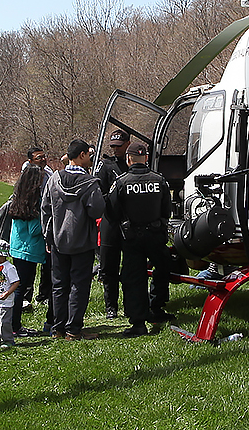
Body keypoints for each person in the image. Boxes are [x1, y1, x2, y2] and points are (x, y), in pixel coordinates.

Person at [106, 142, 175, 336]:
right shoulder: (159, 180)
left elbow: (111, 211)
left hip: (132, 238)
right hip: (155, 235)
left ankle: (138, 322)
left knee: (134, 277)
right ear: (145, 158)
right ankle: (157, 308)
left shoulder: (121, 182)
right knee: (161, 270)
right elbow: (167, 209)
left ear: (128, 160)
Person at [42, 139, 104, 340]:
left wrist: (48, 237)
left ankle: (58, 328)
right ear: (82, 155)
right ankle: (73, 329)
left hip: (58, 241)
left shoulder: (53, 180)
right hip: (83, 241)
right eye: (88, 155)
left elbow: (45, 210)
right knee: (79, 284)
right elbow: (97, 210)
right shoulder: (89, 183)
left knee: (59, 285)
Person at [5, 167, 50, 337]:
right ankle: (14, 326)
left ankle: (12, 324)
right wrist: (47, 218)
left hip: (17, 247)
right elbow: (34, 229)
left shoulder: (18, 197)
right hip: (29, 250)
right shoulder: (35, 200)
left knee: (18, 286)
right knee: (20, 288)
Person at [96, 129, 131, 319]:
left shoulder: (134, 165)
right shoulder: (106, 166)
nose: (116, 150)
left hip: (130, 222)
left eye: (119, 146)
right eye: (113, 147)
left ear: (127, 144)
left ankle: (129, 304)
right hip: (110, 222)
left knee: (130, 266)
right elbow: (98, 190)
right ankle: (111, 306)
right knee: (109, 268)